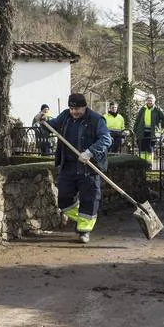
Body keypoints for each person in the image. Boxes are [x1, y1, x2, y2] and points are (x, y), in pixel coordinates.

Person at [49, 93, 112, 243]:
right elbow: (50, 126)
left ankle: (84, 231)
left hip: (89, 168)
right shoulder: (65, 116)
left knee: (89, 200)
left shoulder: (96, 119)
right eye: (71, 108)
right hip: (68, 166)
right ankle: (81, 220)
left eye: (77, 109)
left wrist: (90, 152)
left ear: (85, 106)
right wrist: (42, 121)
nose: (74, 112)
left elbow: (106, 139)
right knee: (64, 199)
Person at [133, 95, 164, 164]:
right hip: (142, 132)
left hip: (152, 132)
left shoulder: (157, 109)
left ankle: (149, 164)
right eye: (148, 100)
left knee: (150, 149)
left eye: (151, 100)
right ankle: (142, 163)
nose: (150, 102)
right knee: (142, 148)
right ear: (146, 101)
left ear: (154, 101)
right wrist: (135, 130)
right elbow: (137, 120)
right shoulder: (143, 109)